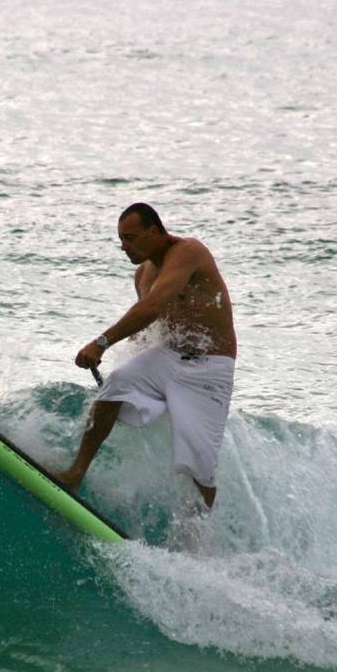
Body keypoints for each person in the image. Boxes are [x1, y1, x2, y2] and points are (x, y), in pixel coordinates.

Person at [54, 203, 237, 509]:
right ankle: (75, 473)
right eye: (121, 240)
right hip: (168, 357)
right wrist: (124, 358)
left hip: (210, 368)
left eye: (130, 238)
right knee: (116, 385)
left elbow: (152, 307)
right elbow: (148, 326)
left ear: (154, 232)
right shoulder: (143, 274)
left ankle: (198, 532)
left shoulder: (189, 251)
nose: (124, 247)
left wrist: (101, 343)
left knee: (200, 468)